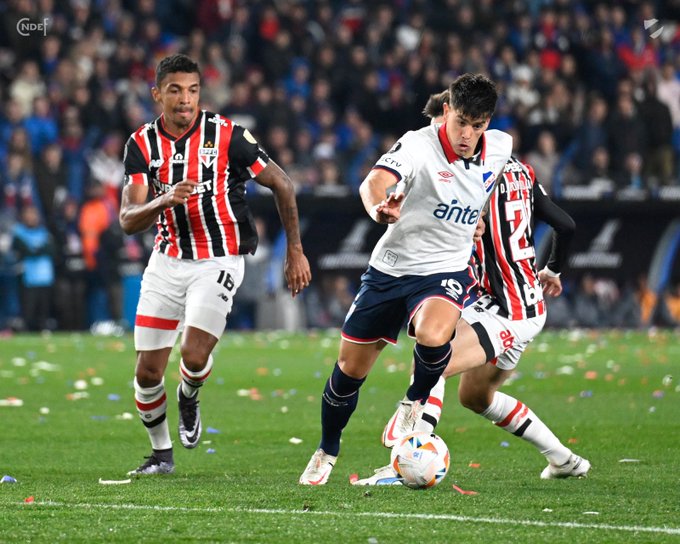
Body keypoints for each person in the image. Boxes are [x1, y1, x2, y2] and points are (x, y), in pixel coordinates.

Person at [353, 91, 589, 485]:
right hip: (524, 305)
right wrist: (553, 270)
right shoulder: (522, 171)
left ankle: (408, 458)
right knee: (474, 398)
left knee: (432, 360)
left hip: (506, 310)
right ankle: (564, 460)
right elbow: (565, 225)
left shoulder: (470, 177)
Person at [300, 73, 513, 485]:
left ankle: (414, 402)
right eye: (462, 121)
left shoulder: (501, 147)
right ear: (446, 111)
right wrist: (380, 207)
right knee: (349, 370)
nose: (468, 134)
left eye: (478, 124)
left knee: (435, 335)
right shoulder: (419, 144)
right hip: (392, 269)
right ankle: (327, 449)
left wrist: (476, 218)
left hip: (445, 270)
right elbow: (374, 181)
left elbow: (479, 189)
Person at [119, 54, 311, 475]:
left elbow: (282, 182)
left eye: (192, 90)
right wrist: (164, 198)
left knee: (193, 350)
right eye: (175, 90)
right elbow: (128, 219)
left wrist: (294, 249)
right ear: (157, 95)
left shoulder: (227, 135)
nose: (185, 100)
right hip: (167, 260)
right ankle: (161, 455)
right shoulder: (141, 145)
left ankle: (190, 393)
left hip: (219, 258)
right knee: (147, 372)